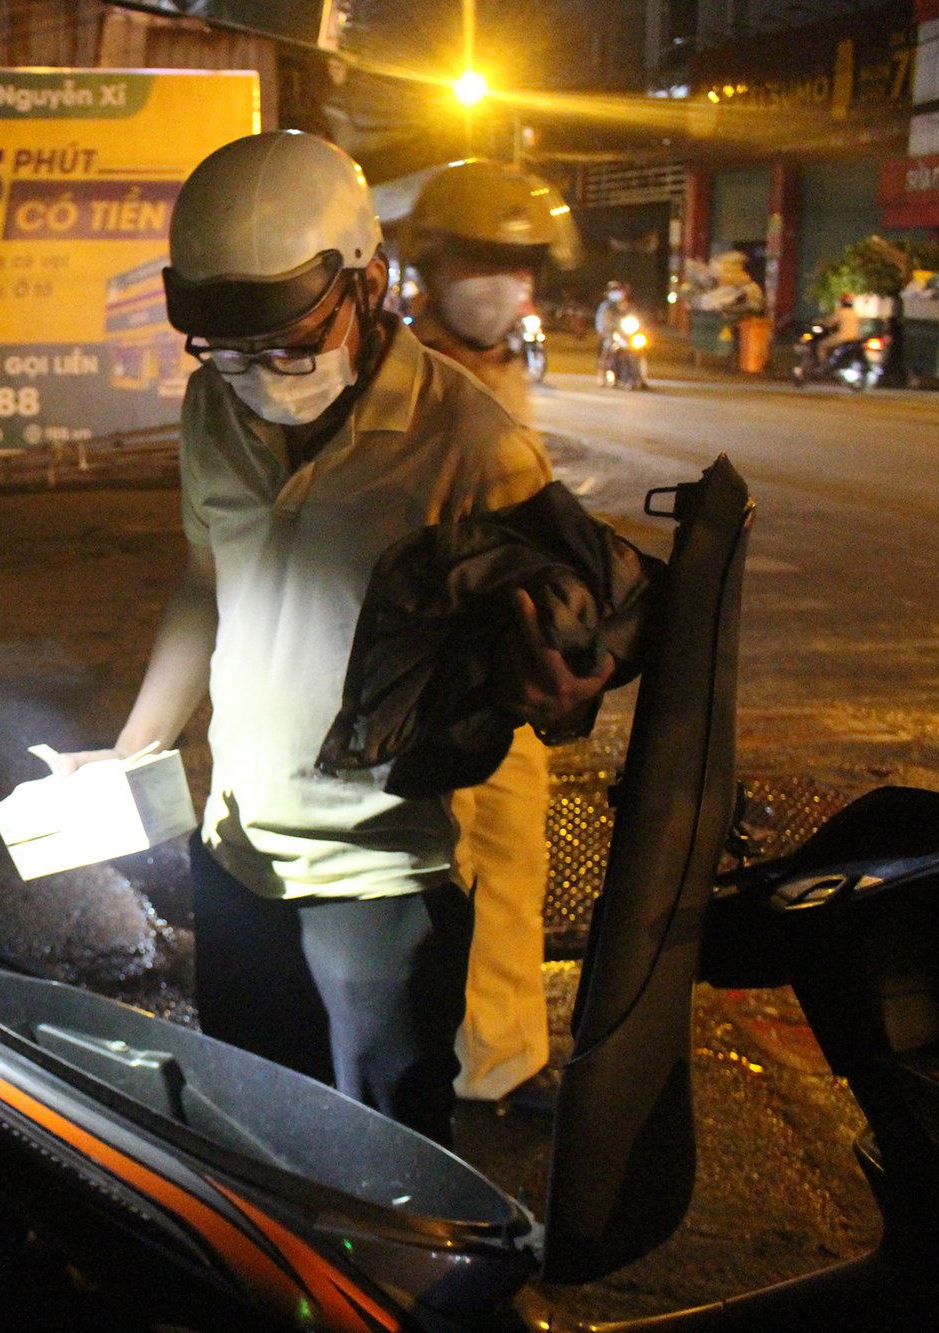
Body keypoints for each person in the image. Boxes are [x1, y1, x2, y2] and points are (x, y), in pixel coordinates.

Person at [47, 131, 610, 1147]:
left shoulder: (475, 445)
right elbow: (203, 586)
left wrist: (557, 690)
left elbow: (562, 651)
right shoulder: (210, 408)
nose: (256, 374)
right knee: (256, 1142)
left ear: (371, 284)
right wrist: (132, 751)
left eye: (288, 346)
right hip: (235, 859)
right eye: (224, 348)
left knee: (379, 1169)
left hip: (381, 886)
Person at [404, 158, 582, 1113]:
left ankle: (505, 1064)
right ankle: (436, 1066)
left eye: (519, 264)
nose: (502, 282)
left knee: (513, 861)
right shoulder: (400, 379)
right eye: (481, 259)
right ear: (429, 264)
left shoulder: (509, 369)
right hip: (429, 678)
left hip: (511, 668)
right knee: (441, 873)